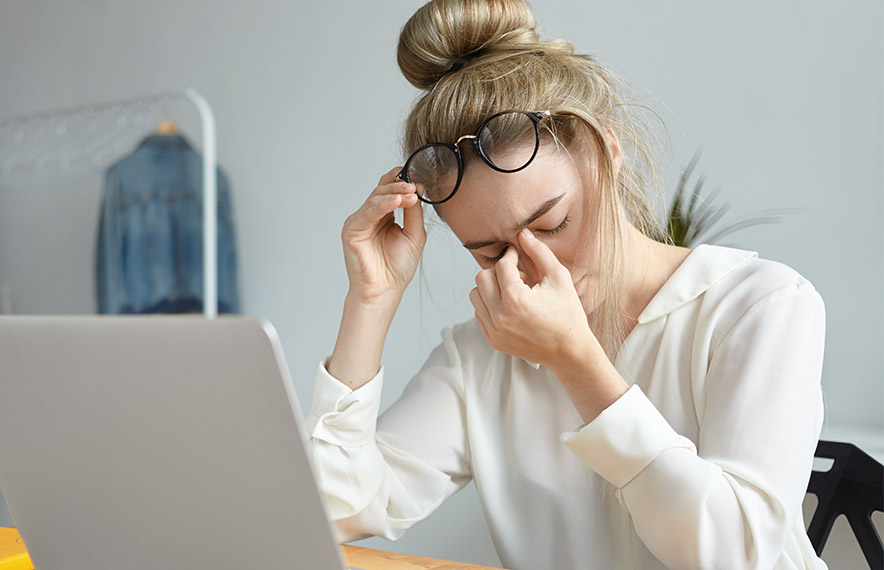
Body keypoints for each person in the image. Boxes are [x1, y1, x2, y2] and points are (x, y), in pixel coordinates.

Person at [302, 0, 827, 568]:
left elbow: (734, 554)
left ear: (608, 151)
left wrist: (577, 362)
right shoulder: (484, 356)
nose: (534, 270)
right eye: (491, 253)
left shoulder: (758, 306)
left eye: (552, 224)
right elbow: (331, 510)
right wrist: (371, 301)